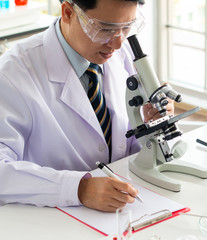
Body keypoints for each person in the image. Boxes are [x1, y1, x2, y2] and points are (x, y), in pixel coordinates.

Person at [0, 0, 174, 212]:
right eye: (105, 29)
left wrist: (149, 126)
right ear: (67, 12)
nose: (118, 43)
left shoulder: (123, 51)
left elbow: (125, 142)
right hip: (50, 217)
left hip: (123, 206)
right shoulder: (12, 73)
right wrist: (78, 189)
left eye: (126, 27)